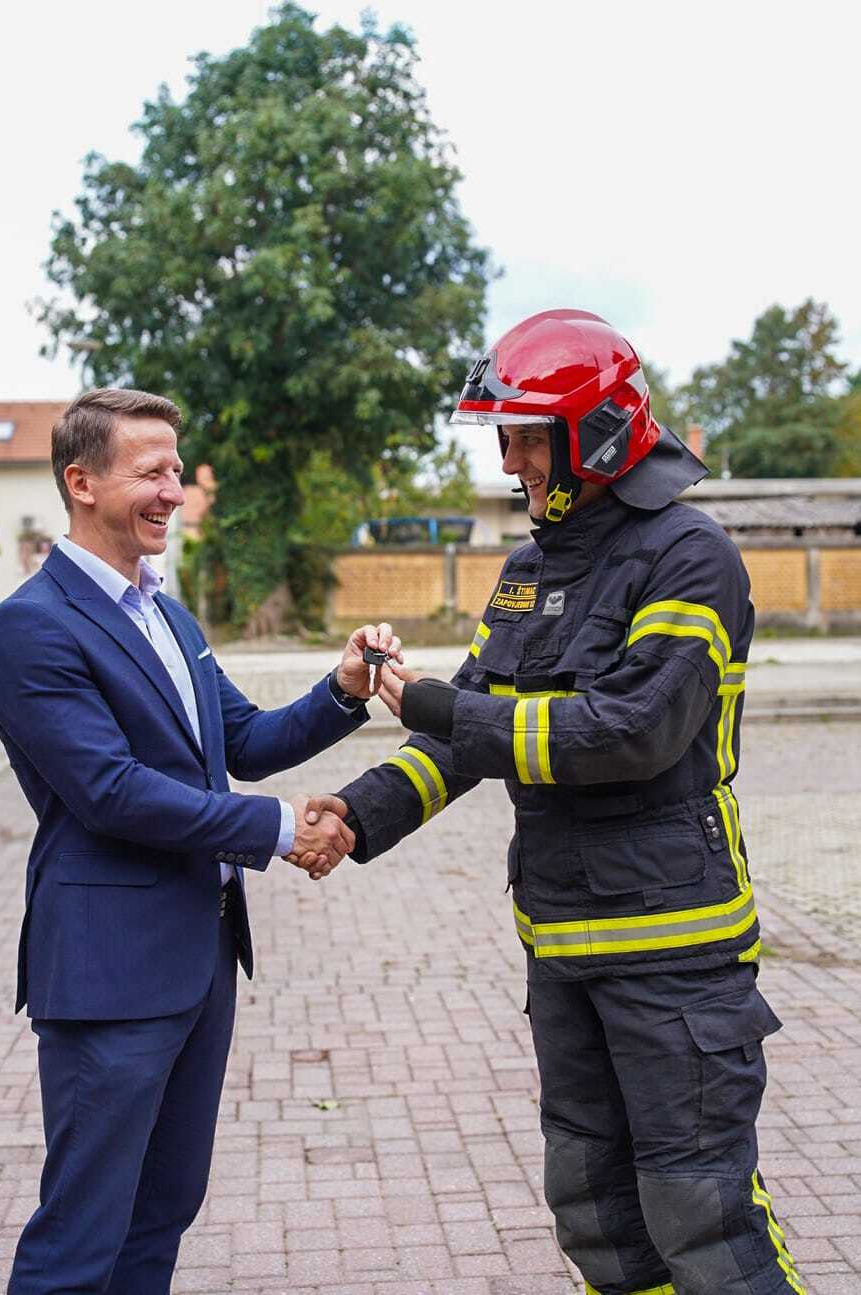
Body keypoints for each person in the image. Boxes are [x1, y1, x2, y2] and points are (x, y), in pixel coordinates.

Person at [300, 311, 807, 1294]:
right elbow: (466, 731)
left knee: (699, 1220)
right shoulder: (533, 568)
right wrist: (358, 813)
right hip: (563, 946)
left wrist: (448, 705)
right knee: (596, 1214)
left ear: (600, 432)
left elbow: (627, 732)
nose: (512, 458)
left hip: (674, 949)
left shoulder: (688, 555)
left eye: (530, 433)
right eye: (507, 434)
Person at [0, 386, 396, 1294]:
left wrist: (345, 686)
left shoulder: (167, 615)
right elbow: (111, 793)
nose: (173, 490)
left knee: (164, 1207)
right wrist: (282, 828)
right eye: (151, 471)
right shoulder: (30, 626)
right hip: (107, 973)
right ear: (80, 481)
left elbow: (239, 742)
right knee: (80, 1235)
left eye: (177, 469)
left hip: (198, 960)